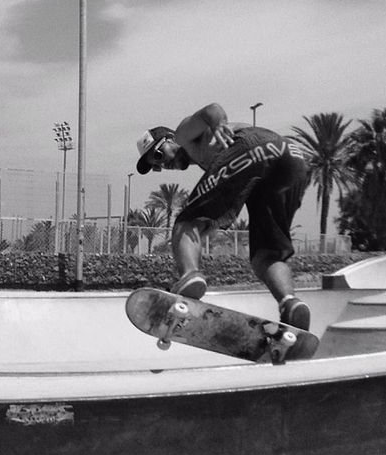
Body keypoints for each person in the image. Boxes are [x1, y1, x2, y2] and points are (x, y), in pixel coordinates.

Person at [134, 102, 313, 331]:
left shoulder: (183, 135)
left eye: (159, 155)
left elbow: (211, 109)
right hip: (293, 160)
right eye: (156, 166)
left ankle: (190, 276)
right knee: (266, 254)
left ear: (170, 139)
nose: (163, 165)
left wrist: (218, 123)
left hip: (252, 145)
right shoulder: (204, 156)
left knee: (185, 222)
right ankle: (291, 305)